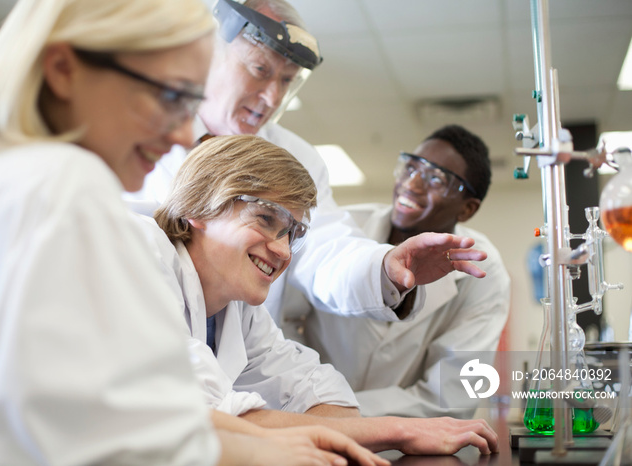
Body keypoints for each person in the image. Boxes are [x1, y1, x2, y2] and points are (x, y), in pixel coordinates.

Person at [0, 0, 385, 465]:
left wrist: (269, 442)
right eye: (168, 97)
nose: (181, 135)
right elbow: (113, 426)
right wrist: (268, 450)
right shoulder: (65, 186)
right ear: (65, 70)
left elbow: (145, 405)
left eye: (190, 103)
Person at [126, 0, 490, 333]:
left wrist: (384, 269)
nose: (273, 96)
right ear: (210, 53)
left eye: (287, 80)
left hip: (245, 361)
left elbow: (325, 251)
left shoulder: (297, 158)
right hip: (139, 333)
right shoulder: (139, 134)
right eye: (259, 69)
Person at [146, 134, 500, 456]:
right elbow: (209, 415)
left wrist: (347, 434)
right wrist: (395, 430)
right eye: (266, 219)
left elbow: (314, 386)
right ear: (199, 206)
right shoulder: (142, 257)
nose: (284, 252)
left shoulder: (238, 312)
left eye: (292, 232)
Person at [303, 125, 511, 419]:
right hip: (302, 419)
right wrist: (306, 400)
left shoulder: (483, 272)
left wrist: (343, 414)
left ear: (467, 209)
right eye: (410, 167)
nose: (411, 184)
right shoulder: (345, 229)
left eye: (436, 179)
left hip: (401, 447)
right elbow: (281, 315)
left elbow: (454, 394)